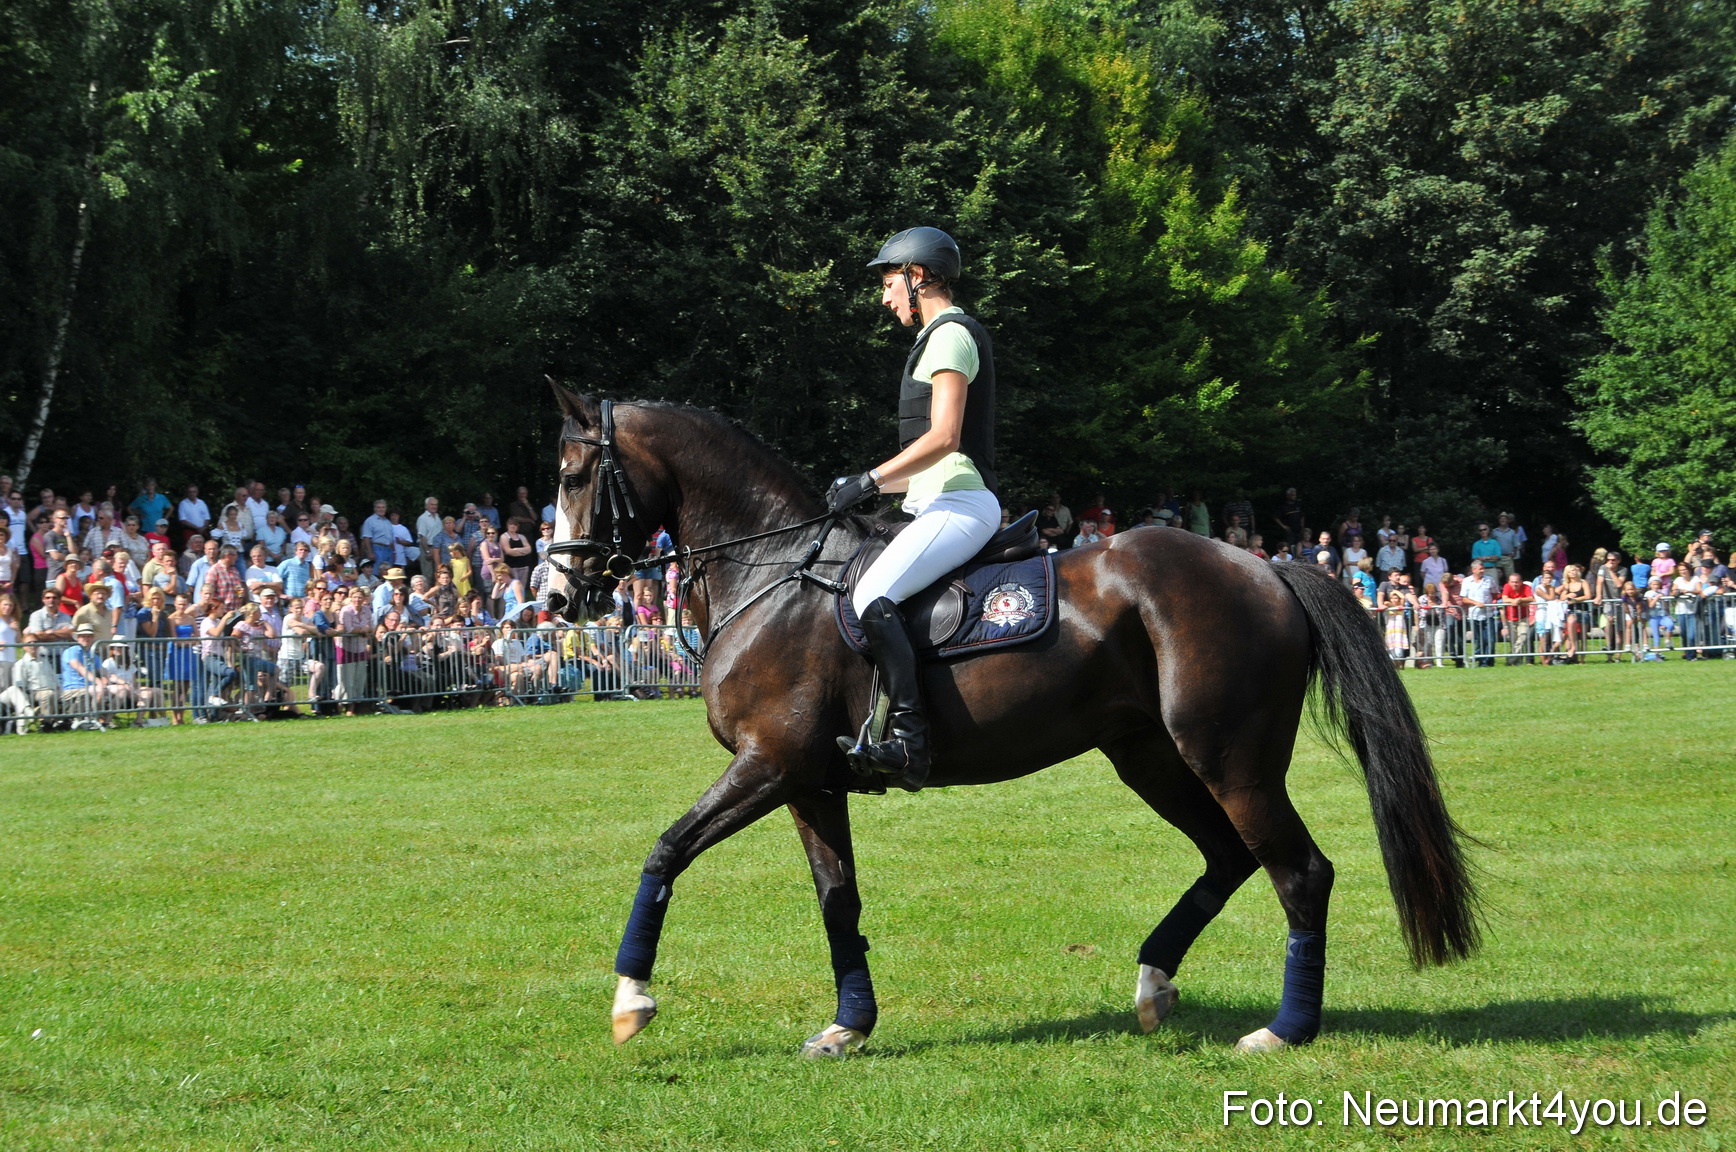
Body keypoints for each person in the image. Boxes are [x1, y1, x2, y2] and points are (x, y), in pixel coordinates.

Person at [826, 227, 999, 791]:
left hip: (961, 502)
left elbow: (946, 437)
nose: (884, 297)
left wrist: (871, 478)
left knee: (872, 595)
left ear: (916, 276)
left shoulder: (949, 336)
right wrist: (864, 492)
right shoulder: (933, 340)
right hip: (933, 502)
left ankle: (908, 744)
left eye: (887, 282)